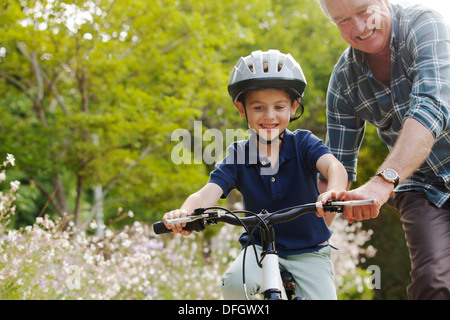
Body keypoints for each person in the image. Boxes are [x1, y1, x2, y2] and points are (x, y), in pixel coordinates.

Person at [162, 49, 348, 299]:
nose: (269, 116)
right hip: (258, 249)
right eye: (258, 107)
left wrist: (334, 192)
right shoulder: (239, 154)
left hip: (309, 251)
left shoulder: (303, 143)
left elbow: (333, 167)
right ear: (242, 109)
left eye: (279, 106)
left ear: (293, 107)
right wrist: (185, 213)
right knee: (234, 285)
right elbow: (209, 192)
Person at [316, 0, 450, 299]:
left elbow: (432, 106)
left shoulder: (423, 24)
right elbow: (336, 168)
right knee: (433, 281)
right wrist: (306, 245)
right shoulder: (344, 82)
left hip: (396, 177)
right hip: (421, 186)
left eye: (364, 11)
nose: (360, 28)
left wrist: (382, 181)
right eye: (344, 21)